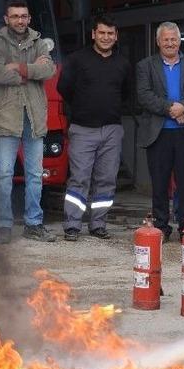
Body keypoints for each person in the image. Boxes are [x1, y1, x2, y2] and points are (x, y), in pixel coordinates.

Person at [0, 0, 57, 244]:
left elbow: (48, 70)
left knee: (35, 174)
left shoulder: (38, 42)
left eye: (23, 16)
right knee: (4, 174)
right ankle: (4, 225)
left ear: (29, 18)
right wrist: (30, 71)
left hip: (34, 117)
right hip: (6, 116)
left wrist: (17, 67)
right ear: (6, 19)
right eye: (15, 16)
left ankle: (33, 224)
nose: (20, 20)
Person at [57, 14, 131, 242]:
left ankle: (98, 224)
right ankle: (72, 224)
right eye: (102, 33)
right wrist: (83, 108)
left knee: (107, 179)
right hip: (82, 129)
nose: (106, 37)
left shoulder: (123, 63)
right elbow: (64, 89)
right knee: (79, 178)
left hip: (112, 130)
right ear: (93, 34)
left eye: (110, 33)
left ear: (116, 36)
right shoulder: (76, 60)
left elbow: (127, 94)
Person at [135, 22, 184, 242]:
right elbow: (144, 95)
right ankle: (161, 226)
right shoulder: (145, 66)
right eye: (165, 39)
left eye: (173, 39)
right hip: (159, 134)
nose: (170, 43)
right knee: (159, 183)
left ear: (179, 40)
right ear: (158, 42)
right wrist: (172, 110)